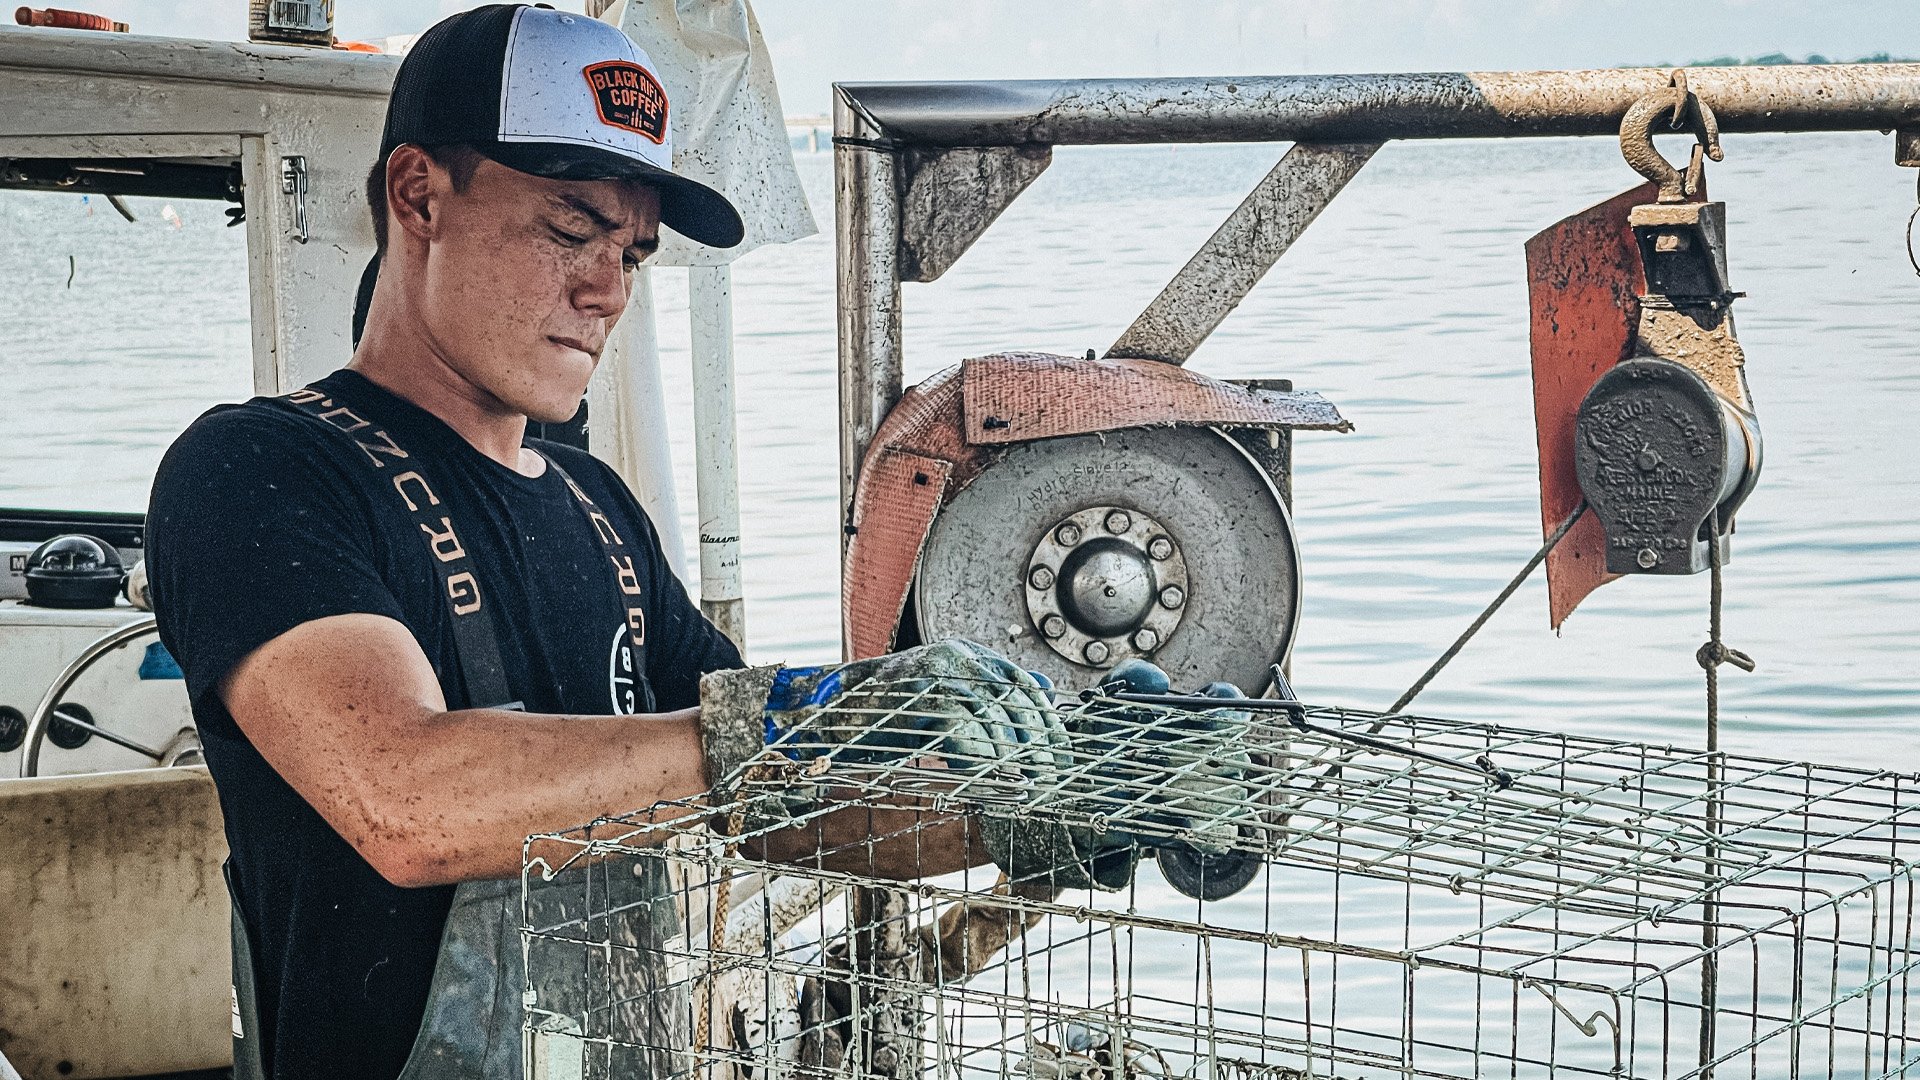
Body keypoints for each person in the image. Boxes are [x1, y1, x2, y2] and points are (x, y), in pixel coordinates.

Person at [147, 6, 1253, 1078]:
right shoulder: (260, 471)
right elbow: (405, 799)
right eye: (570, 229)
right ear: (419, 195)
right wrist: (784, 718)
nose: (607, 288)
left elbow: (786, 815)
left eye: (631, 251)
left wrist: (1039, 818)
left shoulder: (599, 511)